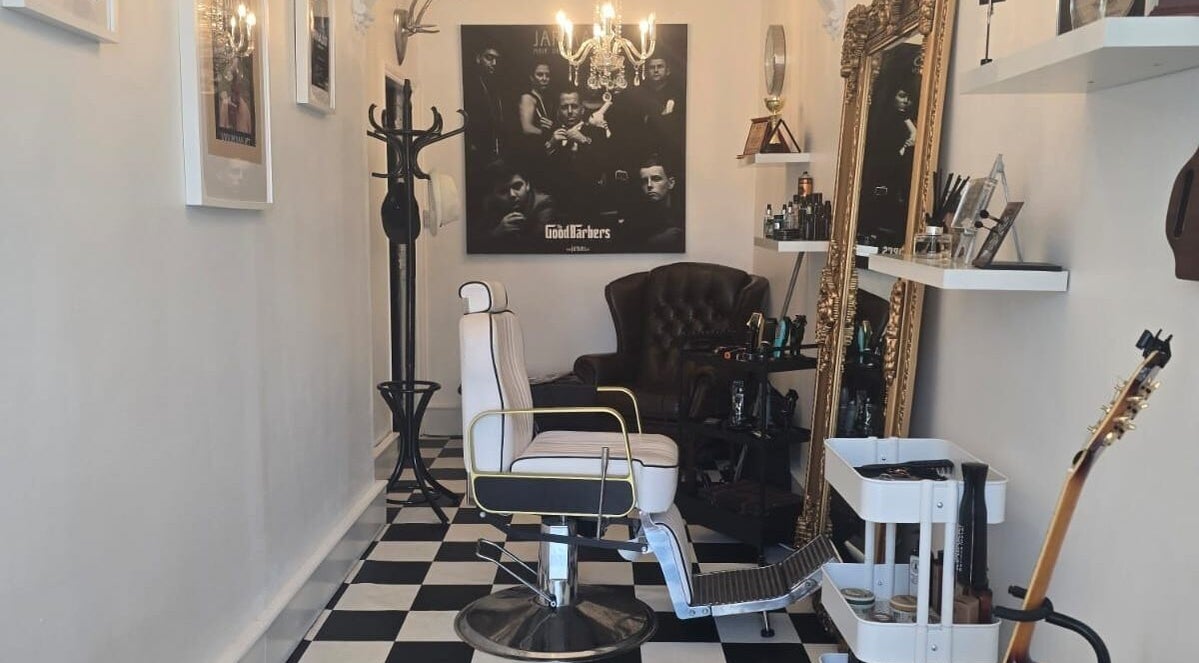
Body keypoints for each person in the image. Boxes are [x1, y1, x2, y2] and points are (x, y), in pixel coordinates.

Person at [856, 43, 922, 247]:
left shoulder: (908, 120)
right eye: (902, 96)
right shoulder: (881, 126)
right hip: (880, 197)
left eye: (910, 97)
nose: (906, 102)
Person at [479, 160, 557, 247]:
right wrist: (496, 233)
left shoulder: (544, 204)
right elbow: (476, 241)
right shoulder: (491, 204)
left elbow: (537, 245)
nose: (512, 195)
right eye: (503, 191)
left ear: (527, 185)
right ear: (493, 194)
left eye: (517, 186)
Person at [622, 155, 683, 251]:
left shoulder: (684, 216)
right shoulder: (634, 222)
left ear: (671, 183)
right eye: (644, 181)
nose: (649, 185)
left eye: (656, 179)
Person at [464, 44, 504, 160]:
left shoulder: (494, 86)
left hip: (493, 151)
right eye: (489, 58)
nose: (494, 63)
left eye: (496, 59)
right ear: (478, 58)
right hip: (475, 152)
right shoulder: (468, 85)